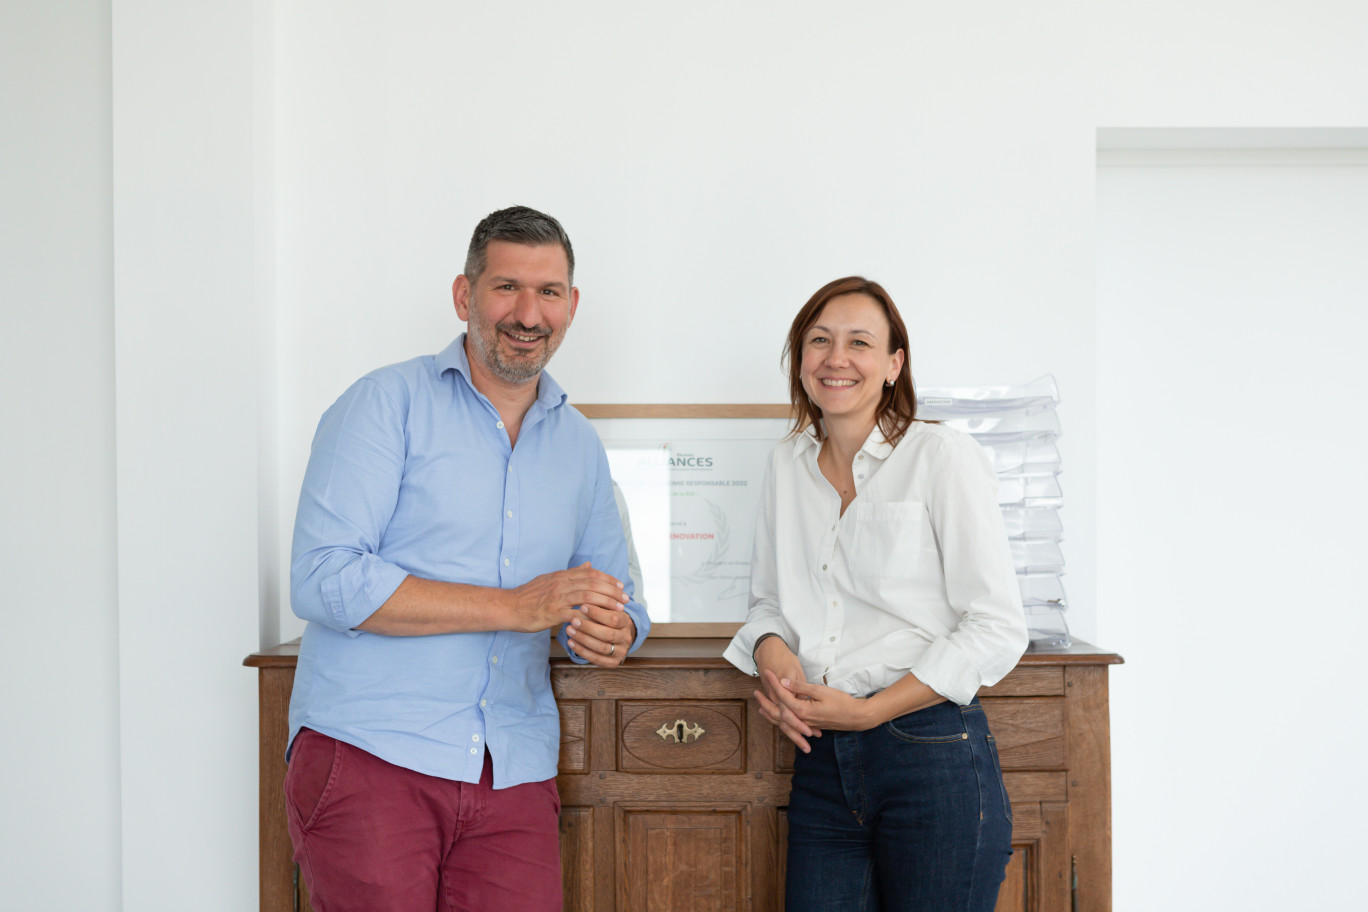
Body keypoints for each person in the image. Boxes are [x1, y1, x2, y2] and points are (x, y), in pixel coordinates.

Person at [285, 205, 650, 912]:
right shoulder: (383, 404)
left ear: (571, 306)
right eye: (506, 287)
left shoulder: (578, 444)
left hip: (512, 770)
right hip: (371, 755)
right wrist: (516, 607)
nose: (527, 312)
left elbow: (618, 592)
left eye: (548, 293)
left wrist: (614, 629)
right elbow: (322, 575)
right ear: (464, 296)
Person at [724, 276, 1027, 912]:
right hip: (821, 761)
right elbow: (766, 605)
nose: (836, 358)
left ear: (894, 364)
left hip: (932, 755)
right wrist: (772, 655)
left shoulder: (941, 455)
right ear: (800, 360)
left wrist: (869, 711)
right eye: (819, 341)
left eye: (859, 342)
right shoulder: (786, 464)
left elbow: (996, 627)